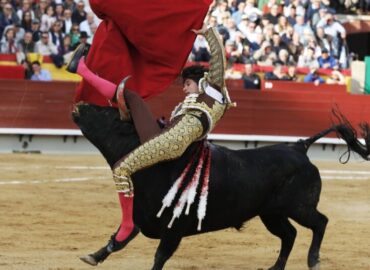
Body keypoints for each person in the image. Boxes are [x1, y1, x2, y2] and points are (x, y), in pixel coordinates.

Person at [67, 24, 232, 253]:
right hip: (166, 136)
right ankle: (82, 69)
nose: (184, 89)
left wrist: (209, 34)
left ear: (202, 82)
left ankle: (127, 225)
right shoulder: (195, 104)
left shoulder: (213, 91)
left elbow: (219, 61)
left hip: (172, 142)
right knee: (131, 97)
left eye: (187, 84)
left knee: (121, 170)